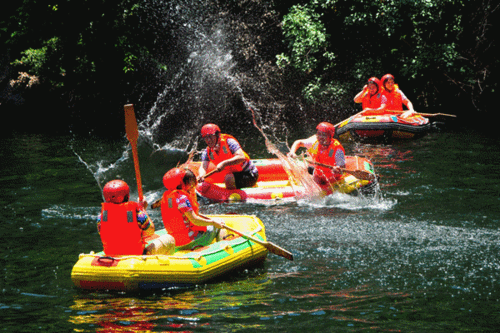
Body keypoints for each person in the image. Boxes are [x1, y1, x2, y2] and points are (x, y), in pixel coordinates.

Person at [97, 180, 175, 256]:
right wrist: (142, 208)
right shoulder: (137, 214)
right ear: (127, 196)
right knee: (170, 238)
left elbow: (104, 233)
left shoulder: (101, 216)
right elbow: (150, 231)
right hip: (136, 256)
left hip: (111, 255)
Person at [161, 167, 227, 248]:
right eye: (190, 182)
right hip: (190, 241)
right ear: (183, 183)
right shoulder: (182, 198)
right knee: (220, 222)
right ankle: (223, 247)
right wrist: (213, 222)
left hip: (175, 241)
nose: (193, 184)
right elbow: (194, 220)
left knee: (211, 223)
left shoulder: (168, 196)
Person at [197, 123, 259, 189]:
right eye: (206, 137)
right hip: (234, 174)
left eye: (210, 136)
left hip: (249, 174)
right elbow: (203, 167)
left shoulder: (229, 142)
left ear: (217, 135)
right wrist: (201, 175)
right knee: (227, 177)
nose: (208, 140)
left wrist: (224, 163)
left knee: (228, 178)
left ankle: (233, 196)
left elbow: (241, 157)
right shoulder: (207, 152)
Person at [287, 122, 346, 188]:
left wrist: (338, 169)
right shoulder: (315, 142)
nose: (320, 137)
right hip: (318, 175)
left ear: (330, 136)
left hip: (333, 178)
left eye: (323, 135)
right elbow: (298, 142)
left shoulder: (337, 149)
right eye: (319, 134)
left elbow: (342, 168)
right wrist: (292, 152)